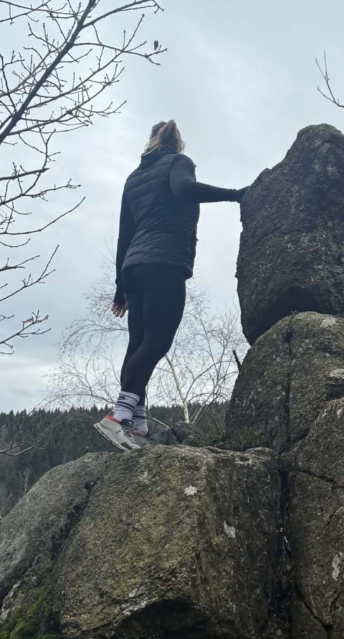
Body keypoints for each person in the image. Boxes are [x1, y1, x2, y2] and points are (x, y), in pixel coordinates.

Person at [95, 120, 247, 451]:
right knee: (158, 341)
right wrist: (236, 195)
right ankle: (120, 414)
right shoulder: (179, 162)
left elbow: (125, 234)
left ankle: (136, 421)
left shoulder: (133, 178)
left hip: (134, 267)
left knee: (138, 343)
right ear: (179, 144)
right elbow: (184, 189)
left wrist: (120, 288)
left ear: (150, 142)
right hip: (165, 262)